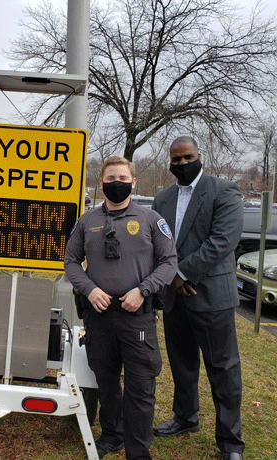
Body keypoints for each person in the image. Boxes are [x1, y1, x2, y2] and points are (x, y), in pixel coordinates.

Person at [64, 157, 177, 460]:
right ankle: (112, 435)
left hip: (136, 318)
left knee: (140, 387)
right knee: (107, 382)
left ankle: (138, 450)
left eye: (122, 177)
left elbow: (169, 263)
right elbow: (71, 262)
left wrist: (143, 290)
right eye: (110, 177)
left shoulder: (152, 219)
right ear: (101, 185)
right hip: (98, 316)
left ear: (133, 182)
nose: (117, 182)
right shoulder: (86, 222)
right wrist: (89, 289)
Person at [151, 136, 245, 460]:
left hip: (211, 297)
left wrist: (180, 274)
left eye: (187, 157)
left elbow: (223, 241)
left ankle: (231, 443)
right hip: (174, 298)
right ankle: (185, 418)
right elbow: (155, 243)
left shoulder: (224, 190)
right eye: (175, 160)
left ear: (199, 155)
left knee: (223, 369)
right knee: (182, 364)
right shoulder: (162, 198)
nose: (181, 164)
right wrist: (168, 280)